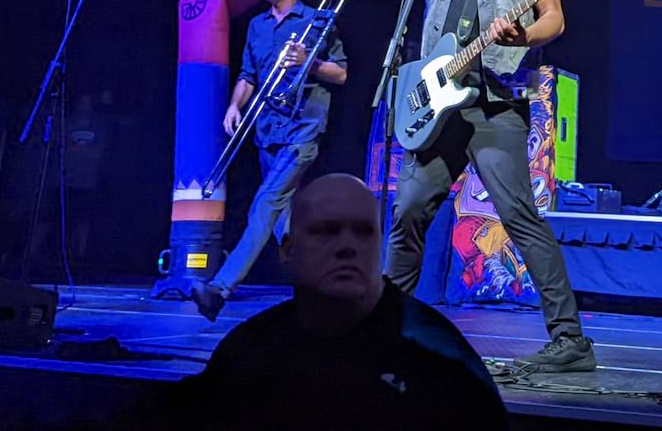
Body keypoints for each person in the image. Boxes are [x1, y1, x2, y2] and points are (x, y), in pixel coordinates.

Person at [364, 0, 595, 372]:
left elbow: (552, 17)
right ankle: (384, 330)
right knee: (406, 213)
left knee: (518, 216)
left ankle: (570, 340)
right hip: (436, 105)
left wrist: (524, 34)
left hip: (496, 102)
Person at [144, 174, 508, 431]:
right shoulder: (250, 350)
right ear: (288, 251)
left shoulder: (440, 360)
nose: (347, 246)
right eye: (326, 231)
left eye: (363, 232)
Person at [191, 0, 347, 320]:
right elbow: (248, 75)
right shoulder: (257, 26)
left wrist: (308, 60)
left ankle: (220, 289)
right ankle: (332, 285)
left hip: (303, 129)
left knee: (264, 204)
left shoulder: (316, 19)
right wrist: (234, 105)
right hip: (267, 130)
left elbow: (340, 74)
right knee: (283, 225)